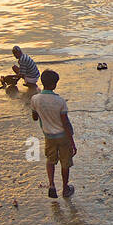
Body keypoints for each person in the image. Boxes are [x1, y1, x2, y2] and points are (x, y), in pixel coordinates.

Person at [30, 69, 76, 198]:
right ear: (54, 84)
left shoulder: (35, 99)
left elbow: (34, 117)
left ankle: (51, 185)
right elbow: (65, 123)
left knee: (50, 160)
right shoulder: (60, 101)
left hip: (48, 135)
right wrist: (72, 141)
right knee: (65, 162)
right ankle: (65, 188)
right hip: (62, 136)